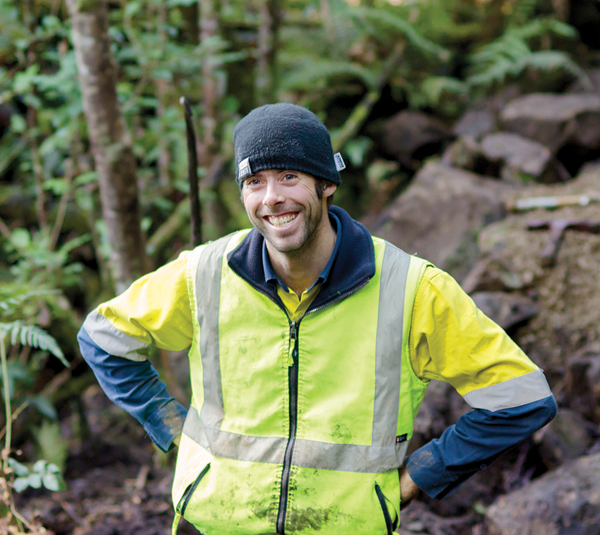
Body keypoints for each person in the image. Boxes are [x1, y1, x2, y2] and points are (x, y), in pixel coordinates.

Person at [78, 103, 557, 535]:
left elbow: (522, 398)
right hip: (212, 526)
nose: (271, 198)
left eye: (289, 177)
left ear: (327, 183)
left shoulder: (410, 289)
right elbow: (104, 338)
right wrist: (173, 429)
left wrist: (417, 478)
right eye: (254, 182)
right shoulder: (204, 274)